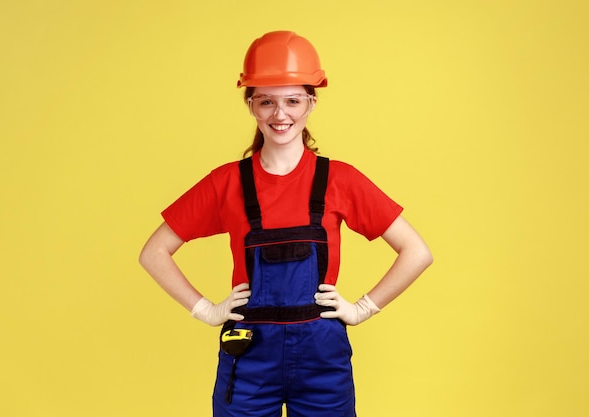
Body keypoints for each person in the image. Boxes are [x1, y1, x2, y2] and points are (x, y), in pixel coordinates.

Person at [139, 30, 433, 417]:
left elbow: (417, 252)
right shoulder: (227, 183)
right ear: (250, 105)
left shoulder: (339, 180)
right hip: (248, 355)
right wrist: (205, 310)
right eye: (266, 102)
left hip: (321, 360)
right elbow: (153, 252)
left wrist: (362, 308)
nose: (281, 115)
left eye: (293, 101)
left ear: (311, 103)